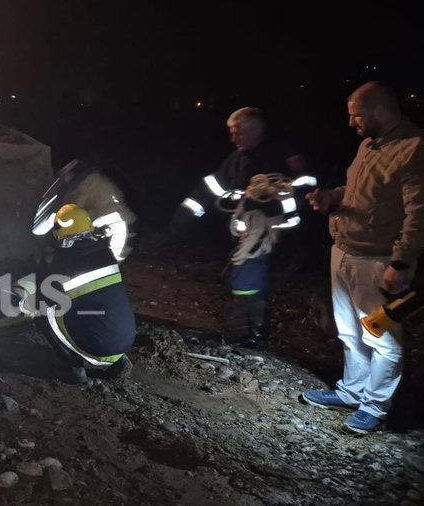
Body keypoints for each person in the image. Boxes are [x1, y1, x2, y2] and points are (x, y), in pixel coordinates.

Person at [302, 81, 424, 434]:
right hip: (344, 251)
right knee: (350, 331)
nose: (350, 123)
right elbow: (360, 193)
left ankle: (374, 406)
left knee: (381, 336)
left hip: (378, 260)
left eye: (356, 115)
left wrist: (401, 262)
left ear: (380, 110)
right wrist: (332, 197)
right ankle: (353, 391)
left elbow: (418, 215)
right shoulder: (369, 145)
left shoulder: (414, 149)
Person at [172, 107, 313, 347]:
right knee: (246, 280)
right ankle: (253, 332)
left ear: (255, 131)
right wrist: (187, 213)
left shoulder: (281, 155)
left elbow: (306, 185)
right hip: (246, 233)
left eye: (238, 133)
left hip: (273, 235)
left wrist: (273, 204)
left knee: (247, 281)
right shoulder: (236, 159)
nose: (233, 138)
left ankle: (257, 335)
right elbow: (212, 187)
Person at [19, 204, 136, 383]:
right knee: (94, 309)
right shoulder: (106, 255)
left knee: (42, 312)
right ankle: (116, 360)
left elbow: (41, 299)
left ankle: (71, 369)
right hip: (125, 341)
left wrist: (22, 297)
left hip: (96, 346)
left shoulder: (62, 266)